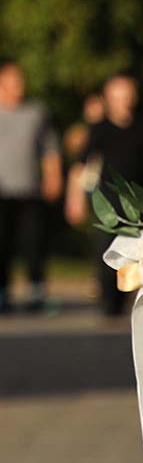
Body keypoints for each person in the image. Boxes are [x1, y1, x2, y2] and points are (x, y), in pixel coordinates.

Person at [66, 74, 143, 316]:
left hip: (137, 201)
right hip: (107, 202)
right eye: (117, 97)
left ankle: (128, 297)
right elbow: (80, 166)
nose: (123, 101)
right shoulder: (99, 129)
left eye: (126, 96)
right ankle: (108, 300)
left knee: (135, 251)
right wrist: (74, 198)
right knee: (105, 248)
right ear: (108, 99)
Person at [0, 61, 62, 313]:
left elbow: (50, 148)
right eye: (12, 81)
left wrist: (53, 177)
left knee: (34, 242)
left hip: (30, 188)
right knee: (1, 244)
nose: (18, 85)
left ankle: (36, 292)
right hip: (2, 191)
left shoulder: (36, 112)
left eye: (20, 80)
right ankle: (2, 293)